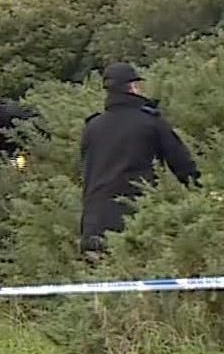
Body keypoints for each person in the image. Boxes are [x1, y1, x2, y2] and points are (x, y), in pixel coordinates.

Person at [79, 63, 201, 257]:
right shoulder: (150, 122)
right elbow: (183, 166)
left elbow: (86, 173)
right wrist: (204, 196)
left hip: (94, 222)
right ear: (134, 87)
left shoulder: (92, 127)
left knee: (102, 280)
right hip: (136, 220)